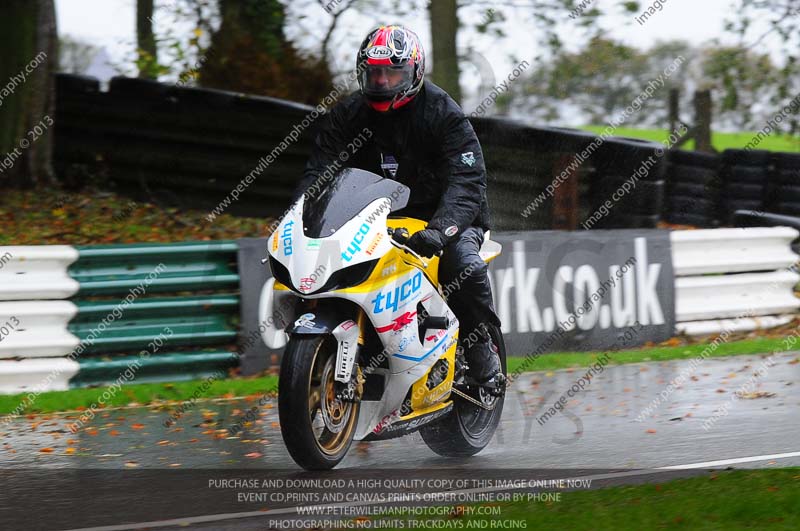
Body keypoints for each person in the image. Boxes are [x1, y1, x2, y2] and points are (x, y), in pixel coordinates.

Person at [295, 25, 502, 389]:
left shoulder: (443, 113)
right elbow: (319, 172)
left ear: (415, 73)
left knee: (461, 265)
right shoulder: (348, 115)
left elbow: (467, 181)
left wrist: (440, 230)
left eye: (392, 73)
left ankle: (481, 346)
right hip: (374, 216)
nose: (382, 82)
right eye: (374, 73)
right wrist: (300, 216)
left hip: (444, 216)